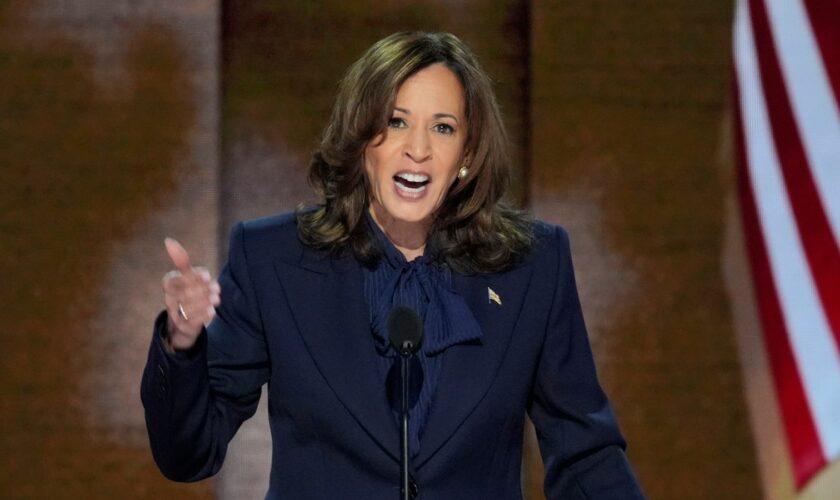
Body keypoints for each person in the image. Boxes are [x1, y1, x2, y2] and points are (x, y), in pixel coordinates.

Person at [141, 31, 644, 499]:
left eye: (443, 128)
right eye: (395, 122)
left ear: (466, 154)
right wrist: (181, 342)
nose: (418, 150)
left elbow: (585, 454)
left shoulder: (532, 264)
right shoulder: (273, 258)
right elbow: (190, 454)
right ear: (363, 141)